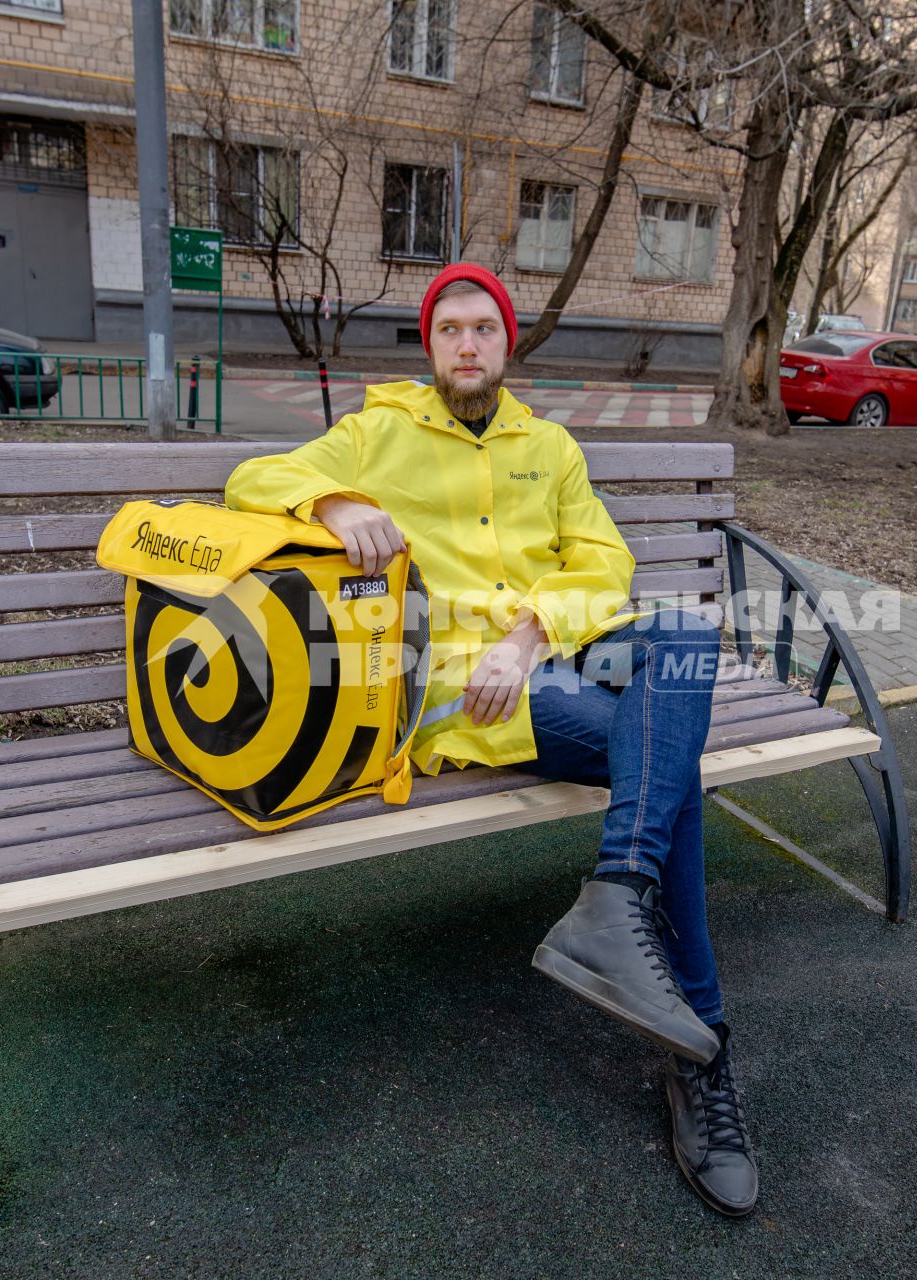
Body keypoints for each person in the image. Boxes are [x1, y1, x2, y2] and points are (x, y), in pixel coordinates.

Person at [224, 264, 757, 1216]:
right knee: (665, 772)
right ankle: (701, 1050)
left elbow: (605, 563)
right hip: (460, 696)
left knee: (678, 636)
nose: (466, 345)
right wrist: (335, 505)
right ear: (431, 347)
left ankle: (618, 900)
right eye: (448, 331)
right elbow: (256, 477)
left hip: (552, 657)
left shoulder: (547, 446)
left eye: (483, 329)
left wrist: (530, 636)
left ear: (508, 344)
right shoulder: (380, 433)